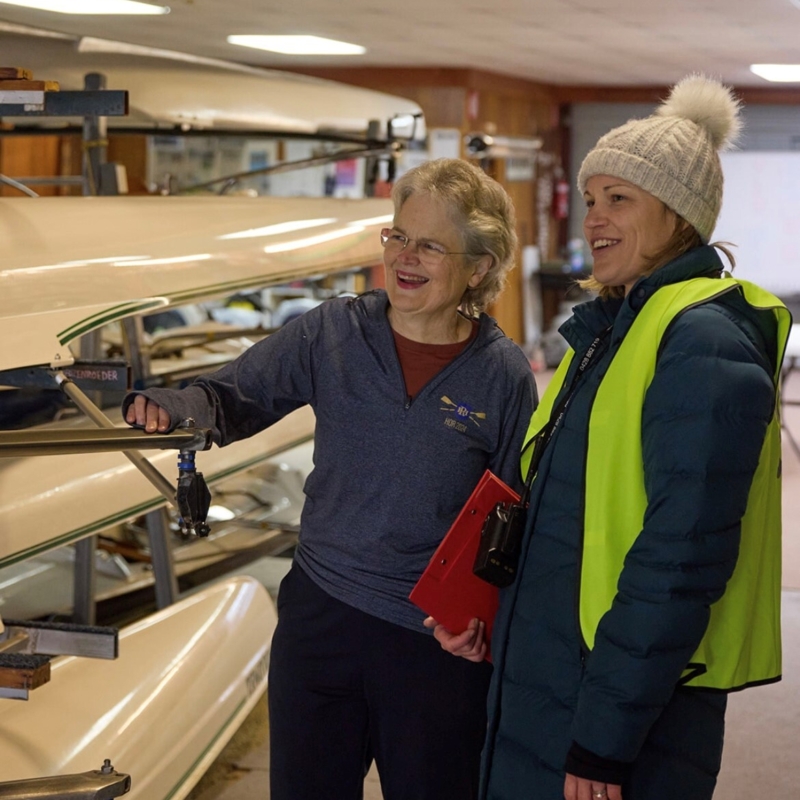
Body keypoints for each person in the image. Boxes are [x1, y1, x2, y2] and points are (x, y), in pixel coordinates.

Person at [123, 157, 538, 800]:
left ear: (478, 268)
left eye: (430, 246)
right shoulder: (334, 332)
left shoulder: (502, 375)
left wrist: (479, 619)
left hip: (431, 642)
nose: (405, 257)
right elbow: (237, 393)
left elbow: (511, 519)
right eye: (398, 236)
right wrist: (175, 409)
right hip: (323, 618)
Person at [431, 75, 791, 800]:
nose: (593, 219)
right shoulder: (608, 334)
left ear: (680, 218)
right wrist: (491, 614)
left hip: (614, 708)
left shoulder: (700, 345)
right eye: (591, 199)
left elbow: (679, 560)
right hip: (553, 674)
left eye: (619, 199)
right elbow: (563, 515)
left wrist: (603, 741)